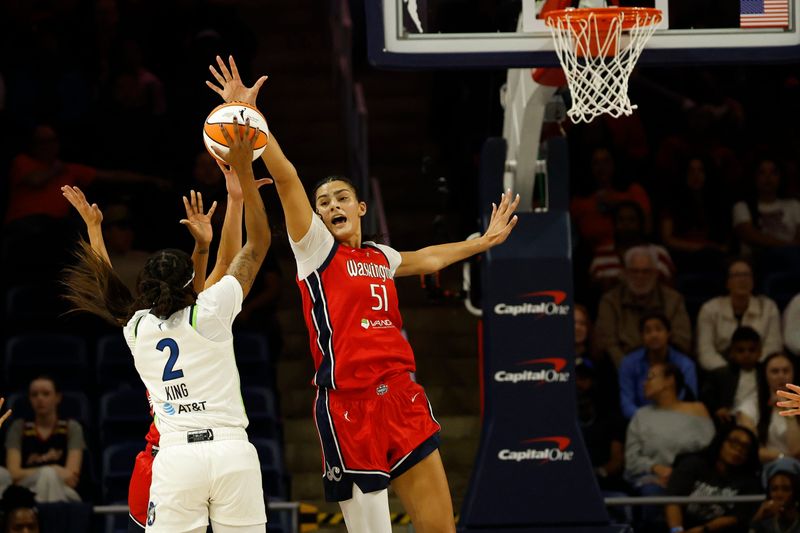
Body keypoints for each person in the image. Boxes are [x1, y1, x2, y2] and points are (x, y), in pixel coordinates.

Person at [207, 55, 520, 533]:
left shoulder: (379, 256)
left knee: (441, 527)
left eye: (340, 198)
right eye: (323, 202)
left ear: (361, 206)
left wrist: (483, 240)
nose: (332, 205)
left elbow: (429, 257)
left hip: (402, 395)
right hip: (349, 405)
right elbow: (287, 177)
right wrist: (253, 122)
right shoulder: (315, 249)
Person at [62, 120, 271, 533]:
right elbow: (247, 252)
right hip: (230, 450)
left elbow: (109, 290)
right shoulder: (209, 313)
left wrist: (93, 229)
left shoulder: (137, 328)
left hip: (175, 458)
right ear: (192, 282)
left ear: (144, 287)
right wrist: (238, 194)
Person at [624, 362, 714, 528]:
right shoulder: (640, 416)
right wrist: (656, 468)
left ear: (669, 380)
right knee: (652, 495)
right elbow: (631, 459)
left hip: (693, 479)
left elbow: (709, 451)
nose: (645, 383)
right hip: (655, 481)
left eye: (651, 377)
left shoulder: (696, 409)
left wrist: (680, 475)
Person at [594, 245, 692, 367]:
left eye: (646, 271)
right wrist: (629, 369)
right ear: (625, 273)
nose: (640, 277)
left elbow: (682, 340)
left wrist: (659, 370)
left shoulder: (674, 300)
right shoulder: (610, 300)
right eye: (634, 271)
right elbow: (608, 343)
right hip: (621, 366)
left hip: (665, 366)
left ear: (656, 273)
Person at [665, 424, 762, 533]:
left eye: (745, 447)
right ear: (721, 442)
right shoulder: (693, 464)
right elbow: (673, 501)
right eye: (734, 443)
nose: (738, 449)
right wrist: (677, 530)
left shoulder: (750, 481)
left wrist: (703, 529)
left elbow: (736, 517)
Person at [4, 376, 84, 503]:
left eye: (46, 394)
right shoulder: (18, 427)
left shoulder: (72, 427)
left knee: (49, 478)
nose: (40, 398)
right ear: (30, 399)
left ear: (57, 397)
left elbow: (70, 476)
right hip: (27, 489)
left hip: (64, 491)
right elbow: (13, 474)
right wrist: (51, 470)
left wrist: (45, 474)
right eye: (34, 395)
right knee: (47, 474)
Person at [696, 258, 783, 371]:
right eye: (736, 275)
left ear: (753, 280)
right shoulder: (709, 309)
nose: (742, 280)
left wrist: (753, 369)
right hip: (720, 371)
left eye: (746, 275)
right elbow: (705, 351)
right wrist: (728, 373)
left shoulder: (768, 307)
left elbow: (773, 346)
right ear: (727, 282)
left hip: (759, 369)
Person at [618, 312, 698, 419]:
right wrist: (649, 420)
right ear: (641, 336)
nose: (654, 335)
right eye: (648, 331)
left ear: (668, 333)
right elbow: (627, 405)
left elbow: (688, 401)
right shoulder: (628, 363)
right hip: (640, 420)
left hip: (676, 419)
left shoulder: (685, 365)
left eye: (659, 329)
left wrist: (663, 420)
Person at [738, 353, 800, 464]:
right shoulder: (750, 406)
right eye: (775, 371)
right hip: (764, 467)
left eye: (786, 371)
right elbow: (751, 450)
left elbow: (796, 450)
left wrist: (787, 408)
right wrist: (785, 458)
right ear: (765, 375)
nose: (781, 376)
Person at [702, 326, 763, 429]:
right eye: (741, 350)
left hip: (759, 420)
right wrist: (717, 409)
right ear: (732, 352)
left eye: (751, 350)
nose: (746, 355)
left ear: (760, 352)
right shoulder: (721, 374)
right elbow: (706, 397)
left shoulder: (765, 373)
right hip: (728, 421)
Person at [749, 457, 800, 533]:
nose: (779, 494)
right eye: (774, 489)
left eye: (786, 489)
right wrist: (757, 519)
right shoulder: (764, 523)